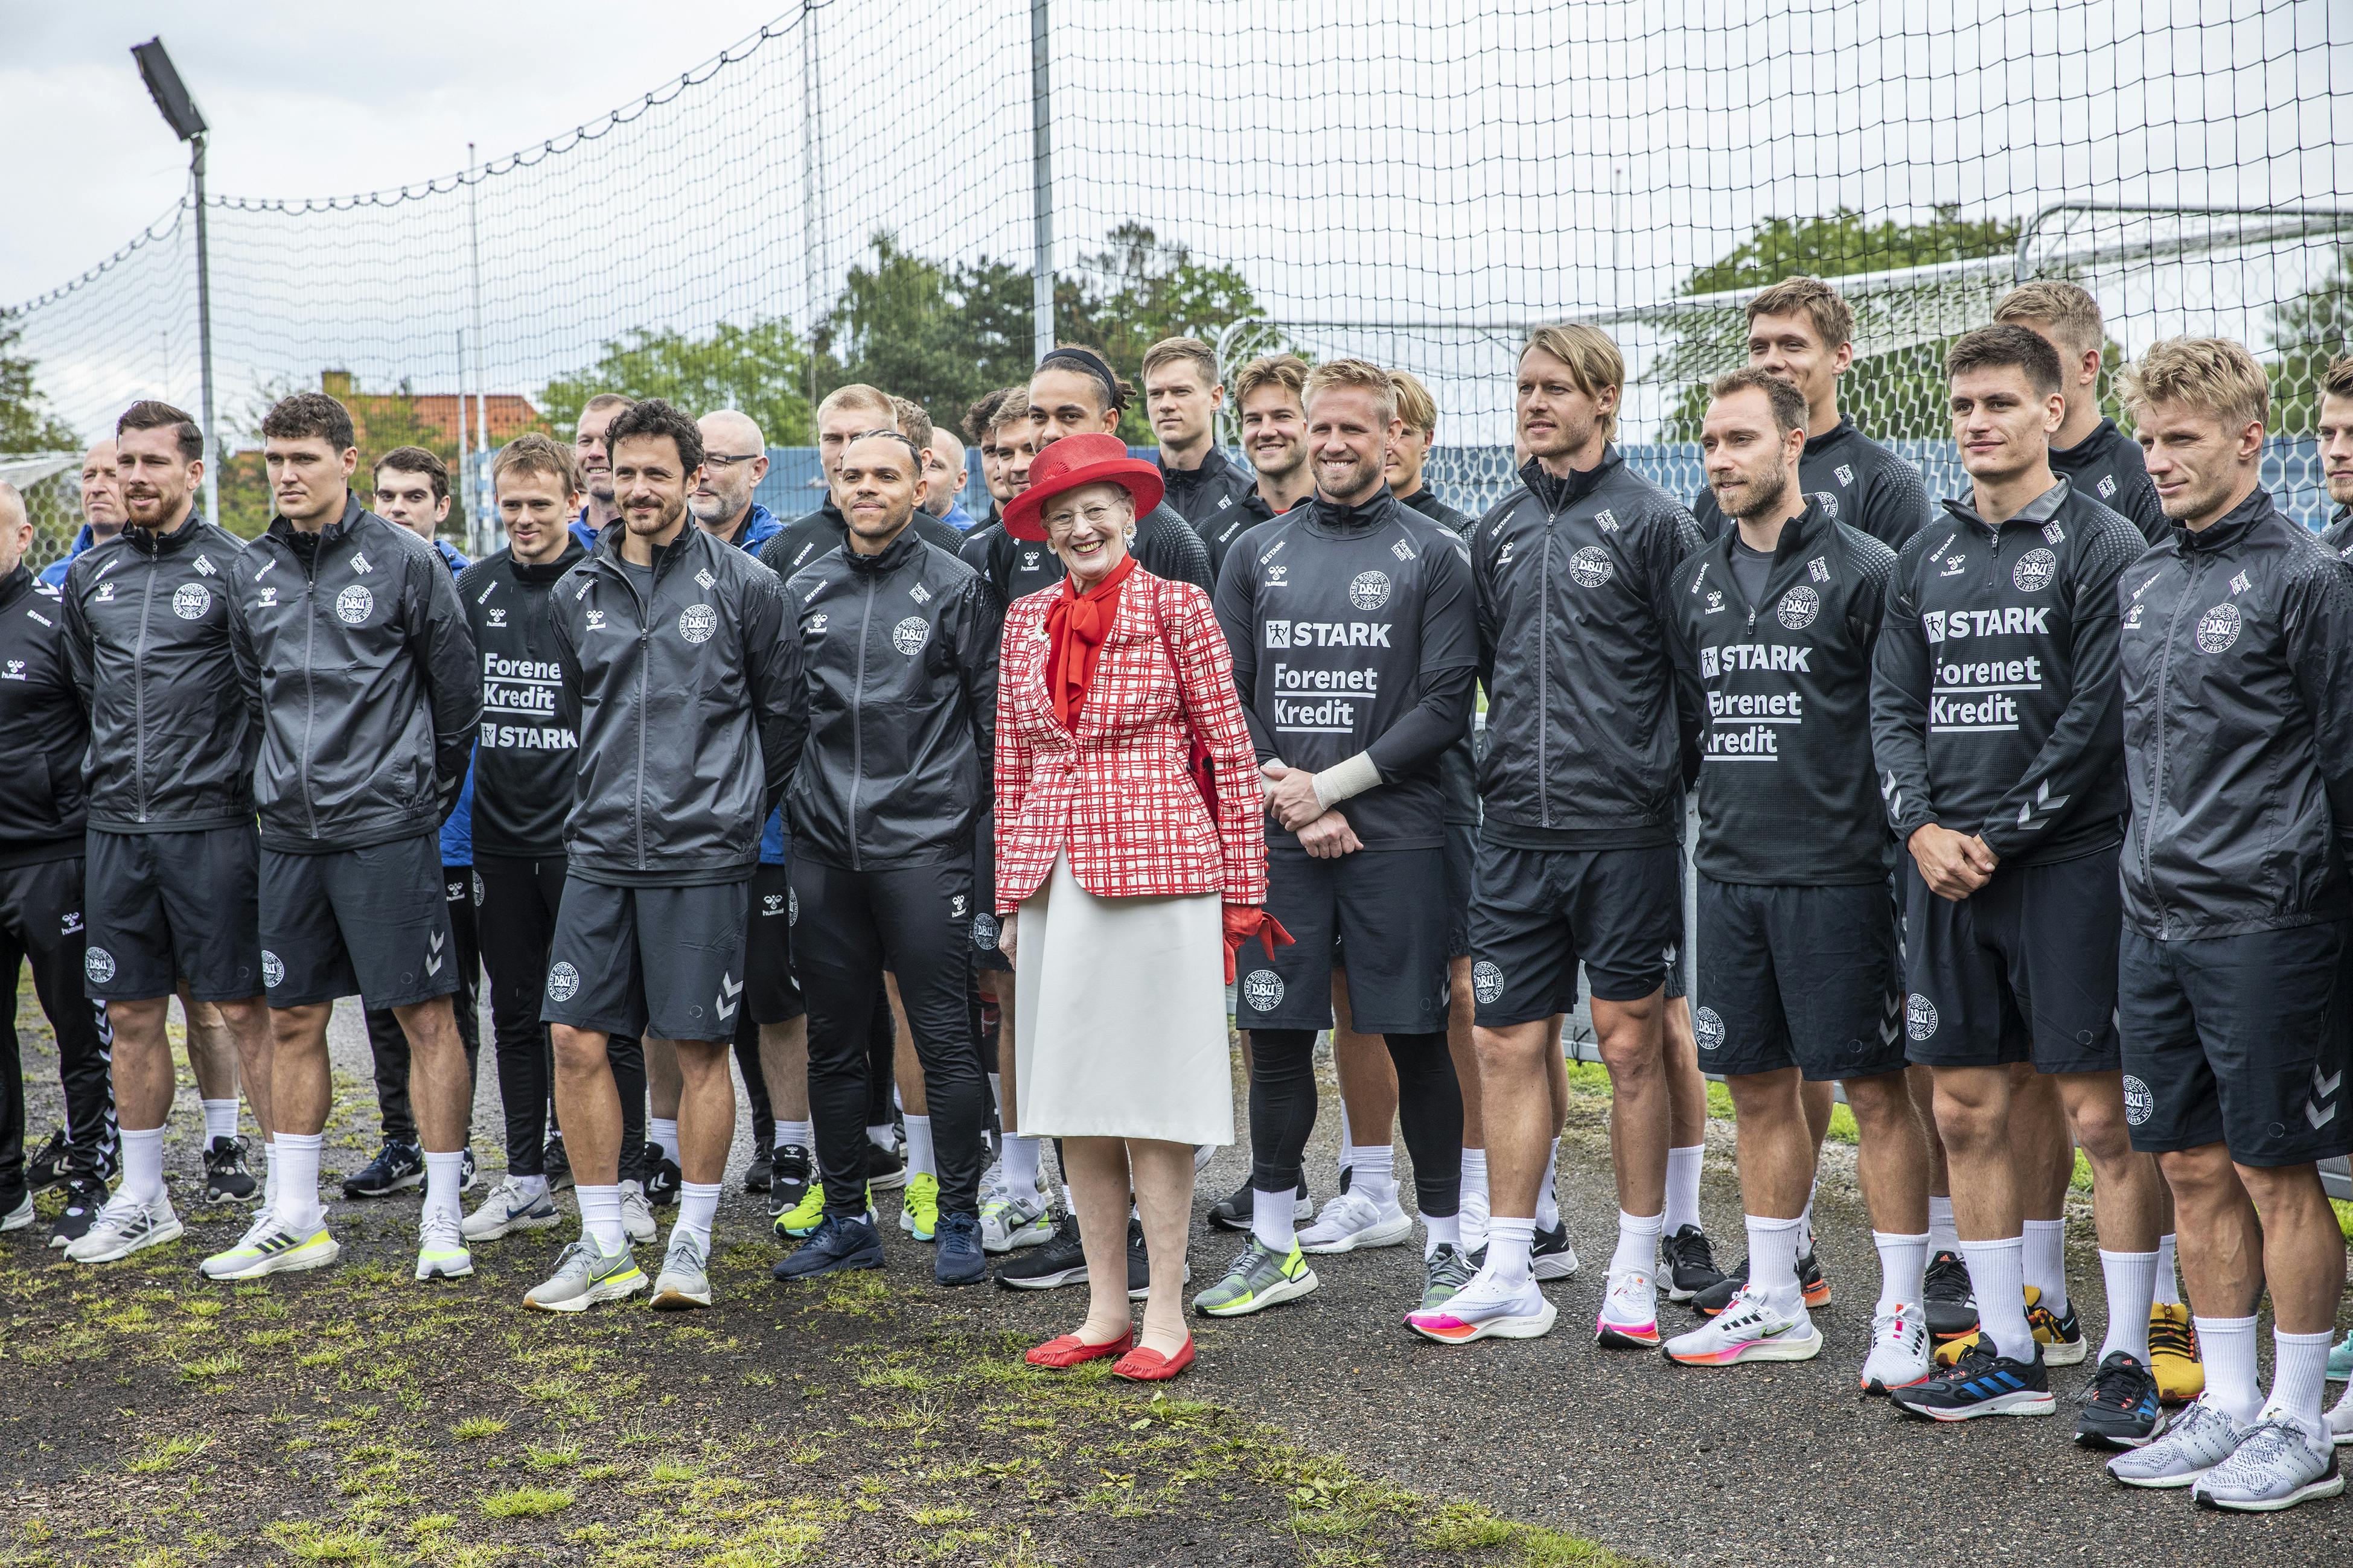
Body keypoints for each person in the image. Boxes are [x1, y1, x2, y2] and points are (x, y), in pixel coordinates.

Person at [1871, 326, 2169, 1438]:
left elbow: (2097, 720)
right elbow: (1889, 710)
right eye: (1961, 405)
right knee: (1962, 1103)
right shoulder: (1922, 554)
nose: (1977, 422)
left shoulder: (2101, 545)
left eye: (1999, 401)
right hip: (1945, 872)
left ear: (2052, 410)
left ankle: (2131, 1354)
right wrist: (1917, 824)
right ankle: (2005, 1346)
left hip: (2070, 868)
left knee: (2101, 1114)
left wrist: (1993, 832)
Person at [2099, 339, 2353, 1511]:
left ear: (2249, 439)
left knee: (2271, 1169)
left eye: (2181, 439)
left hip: (2269, 924)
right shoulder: (2143, 580)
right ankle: (2227, 1402)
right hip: (2151, 920)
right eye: (2146, 441)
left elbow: (2341, 770)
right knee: (2187, 1164)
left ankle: (2299, 1422)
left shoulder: (2305, 579)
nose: (2157, 461)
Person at [1652, 369, 1929, 1385]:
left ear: (1793, 441)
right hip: (1728, 873)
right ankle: (1773, 1297)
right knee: (1757, 1088)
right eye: (1706, 443)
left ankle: (1900, 1306)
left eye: (1736, 439)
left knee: (1873, 1091)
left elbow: (1901, 722)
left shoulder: (1869, 570)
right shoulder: (1692, 577)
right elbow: (1690, 724)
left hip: (1840, 878)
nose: (1718, 460)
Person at [1443, 325, 1705, 1347]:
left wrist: (1650, 788)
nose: (1533, 402)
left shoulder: (1656, 525)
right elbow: (1487, 674)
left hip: (1624, 834)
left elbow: (1691, 688)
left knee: (1631, 1044)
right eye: (1523, 387)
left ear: (1605, 398)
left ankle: (1634, 1266)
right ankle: (1508, 1264)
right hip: (1511, 831)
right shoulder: (1495, 528)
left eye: (1555, 387)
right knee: (1505, 1040)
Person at [995, 430, 1272, 1382]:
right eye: (1060, 515)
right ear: (1044, 531)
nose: (1080, 527)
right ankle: (1102, 1305)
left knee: (1153, 1094)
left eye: (1095, 510)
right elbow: (1014, 761)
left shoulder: (1179, 605)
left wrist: (1243, 894)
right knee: (1073, 1095)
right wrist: (1009, 893)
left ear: (1131, 513)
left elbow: (1228, 753)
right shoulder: (1024, 617)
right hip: (1053, 876)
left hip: (1160, 870)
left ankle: (1164, 1309)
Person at [1206, 359, 1476, 1325]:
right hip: (1282, 834)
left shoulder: (1436, 553)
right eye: (1319, 429)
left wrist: (1333, 786)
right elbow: (1226, 696)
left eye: (1352, 431)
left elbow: (1445, 704)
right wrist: (1292, 796)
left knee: (1413, 1035)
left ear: (1392, 434)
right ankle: (1275, 1245)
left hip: (1396, 837)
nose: (1329, 445)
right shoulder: (1254, 553)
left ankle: (1448, 1248)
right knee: (1274, 1038)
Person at [529, 400, 802, 1312]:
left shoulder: (747, 585)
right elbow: (581, 714)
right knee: (574, 1037)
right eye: (623, 472)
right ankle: (603, 1241)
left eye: (657, 473)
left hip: (703, 855)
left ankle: (690, 1241)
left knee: (696, 1048)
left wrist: (728, 811)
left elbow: (783, 718)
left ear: (694, 479)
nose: (636, 489)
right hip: (601, 851)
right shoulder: (576, 590)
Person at [213, 392, 479, 1284]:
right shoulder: (248, 570)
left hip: (386, 830)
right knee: (292, 1016)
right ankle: (296, 1216)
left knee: (425, 1015)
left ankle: (442, 1214)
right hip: (288, 832)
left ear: (347, 461)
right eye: (274, 460)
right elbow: (257, 695)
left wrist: (413, 799)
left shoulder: (406, 561)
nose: (286, 475)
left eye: (303, 459)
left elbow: (456, 701)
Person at [770, 429, 1000, 1289]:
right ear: (833, 485)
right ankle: (844, 1221)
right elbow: (779, 715)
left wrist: (966, 836)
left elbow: (991, 723)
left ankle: (961, 1218)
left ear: (917, 487)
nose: (866, 487)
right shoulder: (802, 588)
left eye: (885, 475)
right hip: (824, 850)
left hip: (923, 852)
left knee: (943, 1039)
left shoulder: (955, 585)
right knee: (834, 1041)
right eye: (852, 474)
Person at [59, 402, 273, 1266]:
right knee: (130, 1008)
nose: (134, 477)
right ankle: (144, 1197)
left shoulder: (239, 569)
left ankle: (291, 1204)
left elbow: (265, 694)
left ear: (194, 471)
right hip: (115, 827)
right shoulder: (89, 577)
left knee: (244, 1010)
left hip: (212, 826)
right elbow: (88, 690)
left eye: (152, 461)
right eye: (124, 463)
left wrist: (231, 782)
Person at [456, 434, 651, 1247]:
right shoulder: (473, 588)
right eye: (511, 506)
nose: (525, 519)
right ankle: (528, 1178)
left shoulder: (600, 584)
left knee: (605, 1015)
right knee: (514, 1008)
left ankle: (631, 1181)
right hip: (501, 839)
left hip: (585, 842)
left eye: (541, 503)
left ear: (577, 499)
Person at [345, 447, 484, 1202]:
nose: (398, 509)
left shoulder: (468, 585)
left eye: (413, 497)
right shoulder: (353, 581)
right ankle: (402, 1137)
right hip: (376, 828)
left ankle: (454, 1147)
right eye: (386, 496)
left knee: (452, 999)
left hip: (457, 832)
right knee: (383, 995)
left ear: (443, 507)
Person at [688, 409, 805, 1209]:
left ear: (757, 471)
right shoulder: (654, 556)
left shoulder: (784, 555)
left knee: (774, 990)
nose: (703, 473)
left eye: (720, 460)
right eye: (694, 458)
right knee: (697, 996)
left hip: (763, 821)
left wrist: (756, 796)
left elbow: (786, 704)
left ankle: (786, 1144)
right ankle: (679, 1150)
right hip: (680, 827)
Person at [0, 480, 117, 1243]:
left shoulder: (54, 620)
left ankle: (88, 1177)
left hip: (54, 859)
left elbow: (106, 722)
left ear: (23, 537)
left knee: (78, 1024)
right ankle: (7, 1187)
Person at [1690, 276, 1932, 552]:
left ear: (1840, 357)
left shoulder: (1887, 480)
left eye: (1792, 345)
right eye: (1759, 348)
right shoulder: (1720, 491)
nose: (1770, 362)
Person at [1993, 281, 2169, 543]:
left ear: (2087, 366)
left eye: (2034, 355)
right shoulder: (1995, 476)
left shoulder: (2147, 477)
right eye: (2004, 357)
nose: (2013, 373)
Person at [1143, 336, 1255, 572]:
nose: (1165, 404)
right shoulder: (1130, 501)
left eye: (1180, 392)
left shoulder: (1249, 498)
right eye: (1155, 394)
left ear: (1215, 398)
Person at [37, 440, 124, 588]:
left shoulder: (161, 571)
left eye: (112, 475)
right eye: (89, 476)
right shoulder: (52, 580)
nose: (96, 488)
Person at [570, 393, 634, 549]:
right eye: (585, 441)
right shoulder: (561, 544)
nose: (594, 452)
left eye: (608, 440)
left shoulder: (661, 541)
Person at [927, 428, 977, 531]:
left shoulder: (965, 540)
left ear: (959, 481)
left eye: (932, 466)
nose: (919, 475)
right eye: (915, 462)